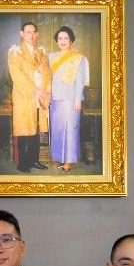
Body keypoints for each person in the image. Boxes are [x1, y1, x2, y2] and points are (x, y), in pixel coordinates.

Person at [7, 20, 51, 173]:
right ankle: (23, 163)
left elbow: (47, 74)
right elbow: (18, 76)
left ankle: (34, 160)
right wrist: (37, 90)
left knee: (36, 130)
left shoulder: (41, 52)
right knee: (24, 130)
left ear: (36, 34)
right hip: (24, 97)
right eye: (28, 32)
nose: (31, 35)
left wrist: (47, 92)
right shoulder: (15, 52)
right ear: (22, 34)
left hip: (40, 98)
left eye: (33, 32)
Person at [48, 26, 89, 172]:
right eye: (60, 38)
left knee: (70, 130)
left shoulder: (78, 58)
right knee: (58, 130)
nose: (63, 41)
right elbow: (48, 77)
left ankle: (68, 162)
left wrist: (78, 99)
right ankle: (60, 158)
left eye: (66, 38)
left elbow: (80, 80)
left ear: (71, 40)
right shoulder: (52, 57)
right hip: (55, 99)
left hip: (71, 99)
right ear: (57, 41)